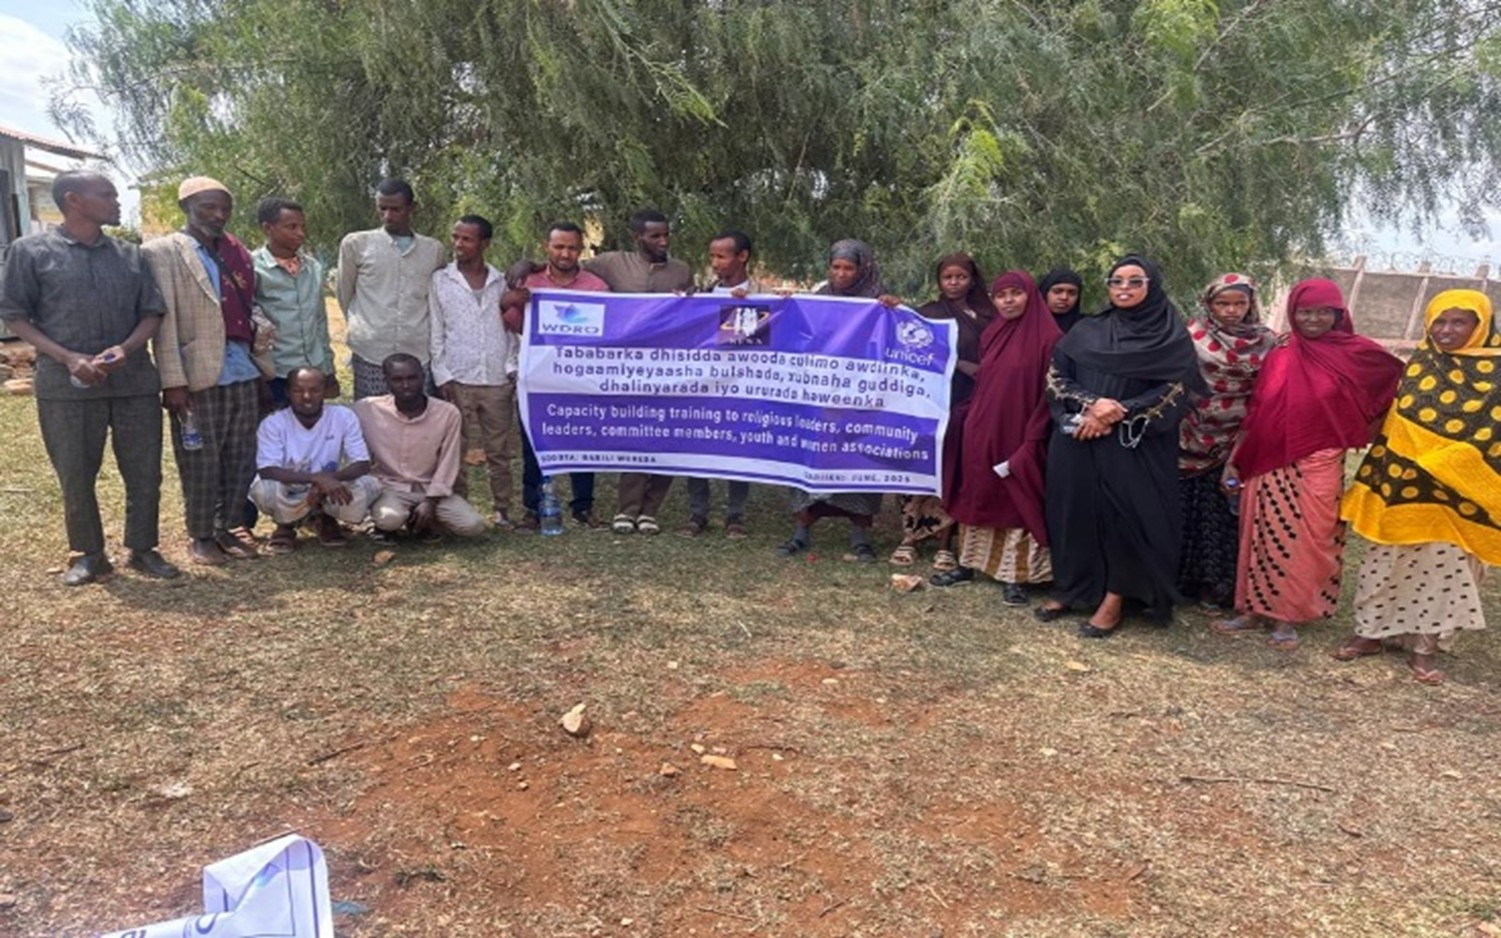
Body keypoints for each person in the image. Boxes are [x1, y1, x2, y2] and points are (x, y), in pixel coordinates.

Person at [0, 170, 178, 585]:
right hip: (66, 386)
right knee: (76, 470)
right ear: (74, 199)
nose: (117, 202)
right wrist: (66, 358)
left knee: (144, 469)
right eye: (108, 194)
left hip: (133, 381)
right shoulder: (30, 252)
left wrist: (127, 349)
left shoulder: (131, 254)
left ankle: (143, 547)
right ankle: (89, 553)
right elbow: (14, 316)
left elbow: (151, 311)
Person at [1212, 278, 1402, 650]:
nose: (1313, 319)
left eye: (1321, 312)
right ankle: (1251, 609)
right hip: (1264, 458)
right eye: (1304, 311)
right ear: (1292, 313)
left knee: (1306, 538)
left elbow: (1394, 386)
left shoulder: (1359, 353)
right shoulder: (1281, 352)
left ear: (1338, 314)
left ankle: (1287, 615)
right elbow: (1257, 410)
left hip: (1319, 460)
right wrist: (1234, 460)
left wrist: (1360, 429)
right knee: (1258, 533)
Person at [1334, 289, 1501, 683]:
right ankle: (1370, 633)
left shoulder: (1496, 372)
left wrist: (1449, 463)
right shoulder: (1422, 363)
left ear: (1481, 325)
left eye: (1459, 322)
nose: (1446, 330)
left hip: (1458, 495)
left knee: (1446, 572)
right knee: (1384, 564)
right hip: (1404, 487)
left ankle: (1424, 648)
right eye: (1439, 321)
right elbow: (1399, 423)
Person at [1037, 255, 1204, 636]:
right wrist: (1091, 408)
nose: (1124, 289)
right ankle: (1073, 587)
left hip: (1135, 444)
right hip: (1081, 437)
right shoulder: (1086, 330)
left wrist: (1120, 410)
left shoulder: (1171, 336)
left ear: (1152, 285)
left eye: (1134, 281)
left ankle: (1115, 598)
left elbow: (1176, 388)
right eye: (1116, 281)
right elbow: (1057, 376)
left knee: (1125, 518)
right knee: (1073, 510)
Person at [144, 176, 276, 566]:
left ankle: (226, 527)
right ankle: (200, 535)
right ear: (186, 206)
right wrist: (173, 381)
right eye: (208, 207)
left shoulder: (236, 251)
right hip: (197, 373)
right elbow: (163, 322)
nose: (218, 215)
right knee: (200, 458)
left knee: (240, 456)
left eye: (224, 208)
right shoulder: (162, 252)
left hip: (242, 368)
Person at [936, 271, 1062, 602]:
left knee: (1016, 496)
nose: (1007, 301)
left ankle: (1016, 575)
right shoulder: (993, 332)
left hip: (1020, 431)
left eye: (1015, 293)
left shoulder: (1050, 338)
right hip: (982, 428)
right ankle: (969, 563)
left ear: (1030, 295)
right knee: (978, 491)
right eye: (1000, 295)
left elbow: (1051, 395)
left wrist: (1033, 438)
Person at [777, 239, 894, 563]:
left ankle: (860, 537)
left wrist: (893, 310)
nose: (841, 274)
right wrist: (787, 305)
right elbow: (800, 333)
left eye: (849, 267)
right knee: (811, 462)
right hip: (820, 396)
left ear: (863, 268)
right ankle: (801, 533)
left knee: (858, 462)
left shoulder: (879, 301)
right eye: (836, 267)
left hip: (861, 397)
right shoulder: (818, 299)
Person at [583, 209, 695, 534]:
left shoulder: (681, 270)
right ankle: (627, 509)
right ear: (637, 237)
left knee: (666, 436)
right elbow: (567, 272)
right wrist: (529, 267)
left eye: (666, 234)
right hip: (628, 369)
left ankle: (650, 509)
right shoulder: (611, 263)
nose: (663, 241)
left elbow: (695, 313)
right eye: (655, 236)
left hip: (671, 369)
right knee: (635, 435)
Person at [502, 221, 612, 529]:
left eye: (572, 247)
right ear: (545, 247)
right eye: (558, 246)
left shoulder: (596, 287)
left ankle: (583, 506)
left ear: (581, 249)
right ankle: (534, 508)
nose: (565, 253)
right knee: (533, 444)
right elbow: (511, 326)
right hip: (537, 379)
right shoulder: (528, 282)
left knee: (583, 441)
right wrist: (510, 302)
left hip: (581, 378)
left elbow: (608, 332)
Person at [1176, 274, 1277, 609]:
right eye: (1223, 303)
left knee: (1224, 512)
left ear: (1251, 305)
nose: (1232, 310)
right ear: (1209, 304)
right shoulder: (1191, 336)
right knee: (1185, 508)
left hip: (1238, 435)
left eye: (1239, 303)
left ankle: (1215, 586)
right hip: (1190, 432)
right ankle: (1180, 582)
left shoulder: (1268, 342)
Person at [892, 252, 993, 571]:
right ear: (939, 281)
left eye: (960, 277)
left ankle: (946, 543)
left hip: (972, 403)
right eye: (947, 277)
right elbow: (910, 349)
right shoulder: (928, 314)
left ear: (972, 279)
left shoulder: (990, 316)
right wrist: (891, 310)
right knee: (920, 468)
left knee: (955, 470)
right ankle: (909, 538)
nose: (954, 283)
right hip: (931, 403)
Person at [429, 215, 517, 528]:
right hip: (458, 377)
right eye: (455, 237)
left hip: (495, 379)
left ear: (484, 244)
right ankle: (459, 507)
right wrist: (443, 375)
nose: (458, 245)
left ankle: (502, 509)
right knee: (457, 448)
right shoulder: (441, 280)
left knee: (499, 450)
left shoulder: (501, 280)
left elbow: (510, 330)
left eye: (467, 239)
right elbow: (436, 331)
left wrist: (510, 367)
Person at [353, 354, 487, 538]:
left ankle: (422, 518)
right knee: (389, 519)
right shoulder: (366, 409)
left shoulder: (447, 413)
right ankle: (393, 521)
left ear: (423, 377)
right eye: (397, 380)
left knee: (473, 525)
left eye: (412, 378)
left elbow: (449, 461)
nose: (406, 385)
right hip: (390, 487)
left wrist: (430, 502)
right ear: (386, 381)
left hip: (431, 489)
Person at [680, 229, 760, 538]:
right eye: (712, 256)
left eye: (721, 256)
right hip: (704, 386)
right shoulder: (703, 295)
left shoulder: (764, 295)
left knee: (737, 448)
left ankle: (735, 516)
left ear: (742, 257)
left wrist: (754, 303)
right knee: (696, 446)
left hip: (742, 389)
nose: (714, 263)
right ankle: (697, 513)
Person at [336, 178, 446, 400]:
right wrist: (366, 327)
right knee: (372, 419)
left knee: (418, 417)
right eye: (382, 208)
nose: (388, 215)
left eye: (396, 209)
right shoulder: (356, 244)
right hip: (371, 352)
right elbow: (344, 293)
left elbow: (437, 298)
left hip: (417, 352)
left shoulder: (433, 250)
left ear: (412, 208)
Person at [250, 367, 380, 552]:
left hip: (331, 488)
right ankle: (285, 524)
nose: (306, 396)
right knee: (264, 490)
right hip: (291, 488)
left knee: (371, 485)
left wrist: (328, 482)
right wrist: (317, 479)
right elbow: (267, 470)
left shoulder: (343, 416)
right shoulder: (273, 423)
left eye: (314, 390)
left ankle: (325, 517)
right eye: (298, 390)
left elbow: (362, 464)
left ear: (325, 391)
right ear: (287, 392)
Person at [253, 198, 336, 406]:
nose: (300, 233)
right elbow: (250, 326)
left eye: (302, 226)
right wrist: (259, 377)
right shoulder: (252, 268)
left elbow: (320, 321)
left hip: (312, 369)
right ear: (267, 228)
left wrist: (328, 368)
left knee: (311, 432)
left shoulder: (312, 267)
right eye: (291, 227)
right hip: (276, 373)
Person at [1038, 268, 1085, 333]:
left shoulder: (1086, 328)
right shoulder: (1028, 324)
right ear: (1044, 292)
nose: (1064, 297)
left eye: (1072, 293)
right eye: (1057, 291)